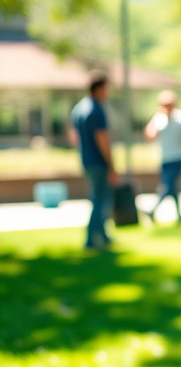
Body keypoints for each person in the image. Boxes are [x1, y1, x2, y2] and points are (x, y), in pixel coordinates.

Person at [68, 72, 120, 250]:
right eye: (107, 88)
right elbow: (102, 140)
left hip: (86, 160)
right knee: (100, 200)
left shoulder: (79, 108)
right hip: (98, 161)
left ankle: (103, 235)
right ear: (98, 89)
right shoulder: (96, 110)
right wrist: (112, 165)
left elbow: (73, 136)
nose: (108, 92)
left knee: (98, 198)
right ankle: (91, 238)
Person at [143, 90, 181, 224]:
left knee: (167, 187)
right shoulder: (159, 119)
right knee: (173, 188)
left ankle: (153, 209)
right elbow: (150, 136)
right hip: (165, 158)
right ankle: (179, 217)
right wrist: (154, 117)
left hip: (178, 158)